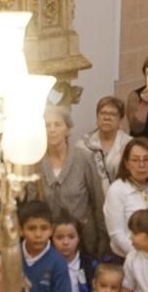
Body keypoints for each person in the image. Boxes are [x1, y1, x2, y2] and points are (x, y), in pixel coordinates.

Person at [38, 106, 108, 260]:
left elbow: (98, 200)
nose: (52, 130)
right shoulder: (35, 162)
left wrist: (103, 239)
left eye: (57, 124)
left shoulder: (84, 158)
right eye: (47, 125)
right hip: (47, 241)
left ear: (68, 130)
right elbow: (33, 205)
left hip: (83, 240)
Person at [18, 201, 72, 292]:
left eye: (44, 228)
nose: (38, 234)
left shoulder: (58, 263)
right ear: (20, 230)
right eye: (31, 228)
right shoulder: (13, 257)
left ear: (51, 230)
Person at [81, 95, 127, 183]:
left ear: (120, 119)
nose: (107, 118)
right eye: (103, 113)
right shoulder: (83, 143)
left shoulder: (129, 144)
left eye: (113, 114)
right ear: (97, 116)